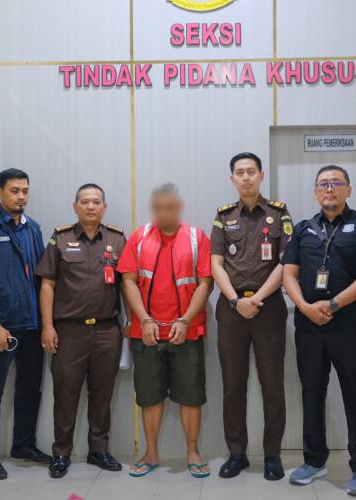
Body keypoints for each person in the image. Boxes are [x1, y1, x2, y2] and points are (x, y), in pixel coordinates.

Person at [282, 165, 356, 496]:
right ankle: (314, 460)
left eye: (336, 183)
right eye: (323, 184)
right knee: (311, 393)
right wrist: (305, 307)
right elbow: (288, 274)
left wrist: (334, 304)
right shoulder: (303, 229)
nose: (329, 188)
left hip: (350, 326)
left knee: (355, 394)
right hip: (309, 326)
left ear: (348, 190)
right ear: (315, 192)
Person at [118, 183, 213, 479]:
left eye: (169, 207)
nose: (163, 212)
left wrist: (184, 321)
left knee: (191, 396)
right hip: (146, 333)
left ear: (179, 207)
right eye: (158, 207)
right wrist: (144, 320)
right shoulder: (139, 237)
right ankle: (150, 453)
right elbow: (128, 281)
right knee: (149, 396)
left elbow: (205, 284)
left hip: (188, 332)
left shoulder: (198, 238)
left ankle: (193, 452)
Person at [35, 183, 129, 479]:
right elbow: (47, 284)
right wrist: (47, 326)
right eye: (85, 202)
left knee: (102, 394)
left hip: (106, 331)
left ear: (104, 207)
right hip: (68, 332)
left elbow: (127, 283)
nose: (90, 206)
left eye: (96, 202)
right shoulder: (60, 238)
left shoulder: (117, 238)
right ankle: (61, 453)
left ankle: (98, 449)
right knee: (66, 394)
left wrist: (130, 322)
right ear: (75, 207)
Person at [210, 152, 291, 481]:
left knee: (272, 385)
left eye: (251, 172)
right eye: (240, 173)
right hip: (231, 311)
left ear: (261, 176)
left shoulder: (279, 214)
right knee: (233, 385)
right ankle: (237, 453)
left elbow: (286, 263)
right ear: (233, 178)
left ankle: (272, 454)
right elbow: (216, 264)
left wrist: (257, 298)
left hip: (268, 309)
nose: (246, 177)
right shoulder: (223, 216)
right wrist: (235, 300)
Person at [0, 168, 51, 480]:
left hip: (32, 324)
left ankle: (23, 445)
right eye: (15, 190)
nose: (21, 196)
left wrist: (46, 322)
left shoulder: (34, 228)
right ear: (0, 192)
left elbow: (42, 278)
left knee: (30, 387)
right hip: (3, 326)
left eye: (25, 191)